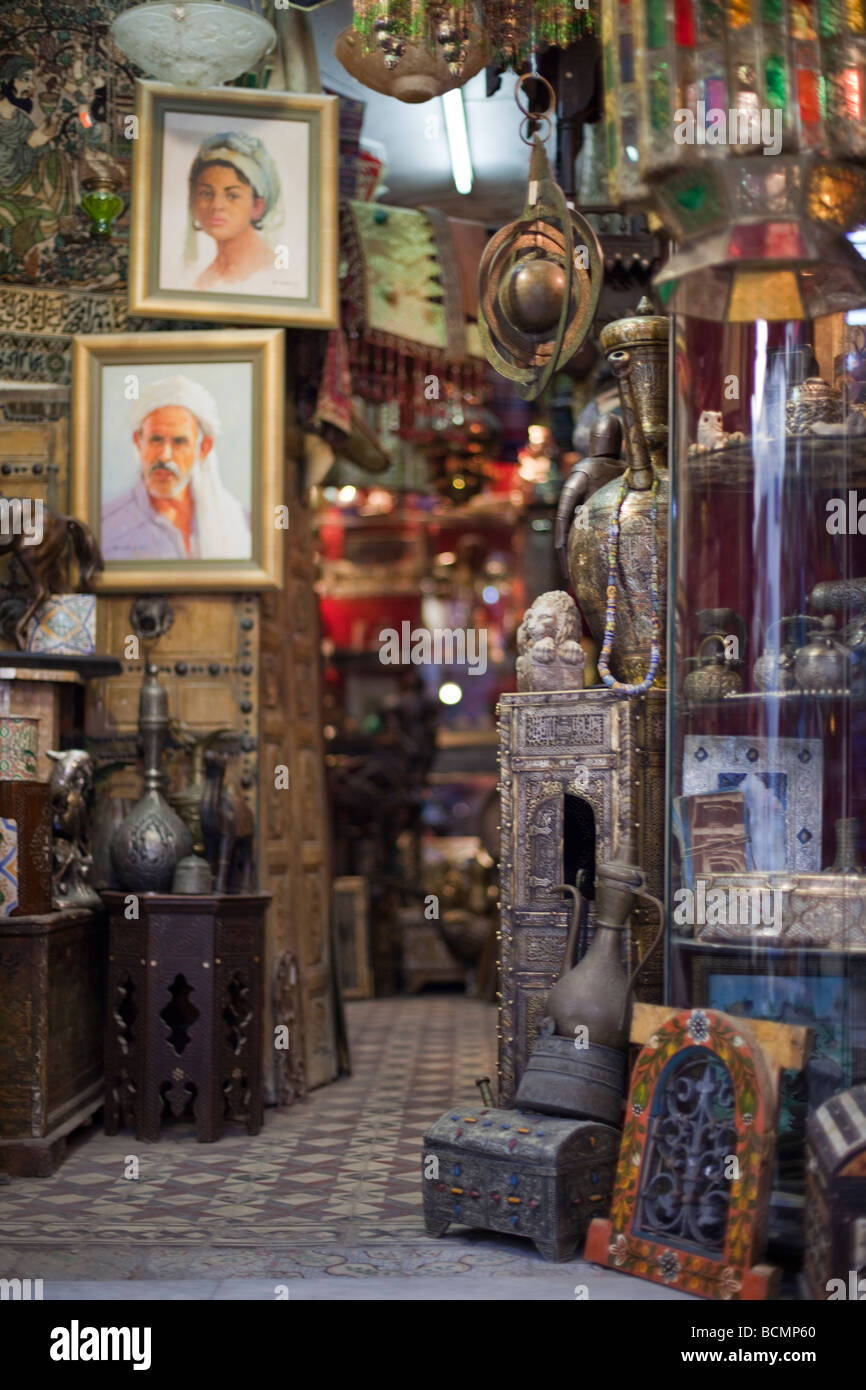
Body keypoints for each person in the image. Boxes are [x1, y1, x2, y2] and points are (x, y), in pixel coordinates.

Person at [101, 376, 252, 562]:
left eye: (179, 442)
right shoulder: (106, 526)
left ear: (204, 447)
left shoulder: (240, 525)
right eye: (156, 440)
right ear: (138, 441)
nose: (164, 455)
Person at [184, 130, 283, 291]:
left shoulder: (269, 274)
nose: (216, 205)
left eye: (232, 196)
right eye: (206, 194)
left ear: (257, 207)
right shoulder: (206, 279)